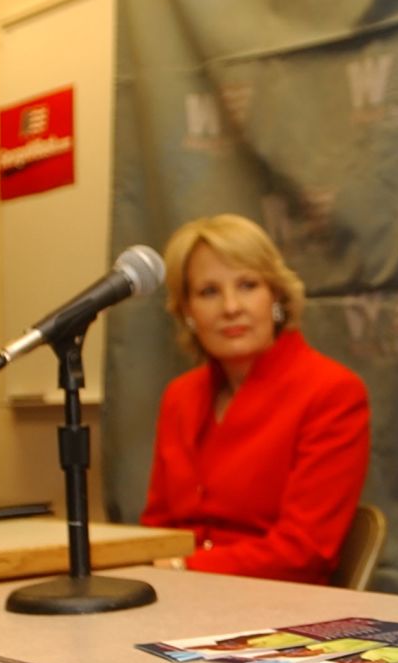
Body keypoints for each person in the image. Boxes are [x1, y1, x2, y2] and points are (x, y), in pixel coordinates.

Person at [140, 213, 369, 584]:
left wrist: (184, 568)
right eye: (208, 292)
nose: (231, 307)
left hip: (277, 611)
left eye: (247, 285)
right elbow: (157, 529)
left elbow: (304, 552)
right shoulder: (179, 396)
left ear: (275, 297)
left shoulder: (332, 391)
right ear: (188, 312)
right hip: (176, 598)